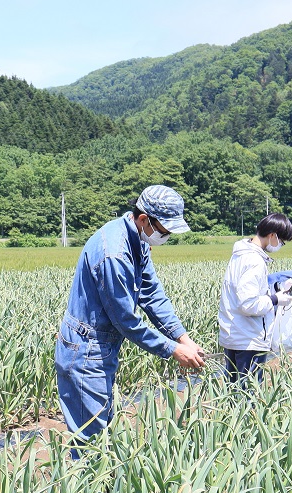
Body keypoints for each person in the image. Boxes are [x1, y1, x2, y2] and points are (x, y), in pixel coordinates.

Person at [55, 185, 206, 453]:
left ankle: (100, 490)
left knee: (101, 430)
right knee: (92, 440)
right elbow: (125, 320)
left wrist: (183, 338)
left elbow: (152, 294)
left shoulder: (138, 239)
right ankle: (88, 492)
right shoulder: (114, 252)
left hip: (102, 346)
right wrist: (172, 350)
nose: (166, 235)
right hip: (86, 348)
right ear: (145, 219)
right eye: (164, 230)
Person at [219, 213, 292, 384]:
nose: (280, 245)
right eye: (282, 241)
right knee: (249, 394)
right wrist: (276, 299)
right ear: (272, 235)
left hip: (234, 335)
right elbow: (248, 304)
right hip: (248, 339)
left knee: (232, 390)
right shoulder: (254, 261)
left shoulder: (239, 255)